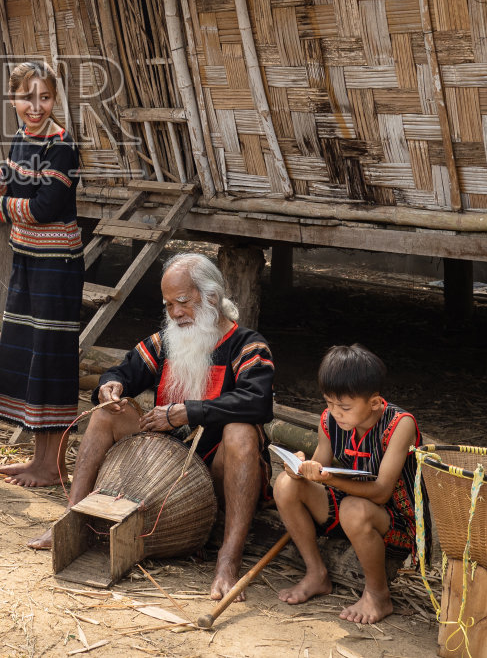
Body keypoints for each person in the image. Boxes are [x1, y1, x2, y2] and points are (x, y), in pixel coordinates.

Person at [33, 252, 275, 601]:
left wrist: (186, 413)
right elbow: (122, 371)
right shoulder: (165, 341)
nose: (175, 313)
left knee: (241, 432)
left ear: (210, 297)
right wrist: (110, 386)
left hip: (219, 470)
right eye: (168, 304)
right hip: (163, 467)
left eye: (182, 301)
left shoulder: (248, 345)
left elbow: (257, 402)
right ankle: (71, 523)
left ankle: (227, 560)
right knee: (107, 413)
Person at [0, 60, 82, 487]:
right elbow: (8, 186)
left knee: (51, 359)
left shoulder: (62, 147)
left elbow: (43, 209)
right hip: (28, 259)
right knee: (29, 354)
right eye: (28, 97)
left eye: (45, 97)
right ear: (13, 99)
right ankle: (38, 460)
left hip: (57, 267)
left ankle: (53, 465)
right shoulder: (23, 139)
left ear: (54, 99)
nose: (36, 106)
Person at [274, 344, 421, 625]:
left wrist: (330, 479)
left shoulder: (401, 425)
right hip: (345, 511)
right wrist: (299, 470)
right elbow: (317, 469)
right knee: (284, 485)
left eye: (344, 406)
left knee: (354, 508)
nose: (334, 412)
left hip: (394, 525)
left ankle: (378, 594)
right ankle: (316, 574)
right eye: (329, 402)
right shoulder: (329, 421)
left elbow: (381, 492)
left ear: (375, 403)